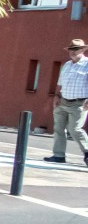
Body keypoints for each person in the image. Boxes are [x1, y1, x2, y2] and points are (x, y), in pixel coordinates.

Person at [45, 37, 88, 165]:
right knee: (58, 128)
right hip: (63, 101)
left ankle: (87, 151)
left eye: (75, 49)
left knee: (75, 129)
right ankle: (58, 155)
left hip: (79, 103)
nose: (72, 52)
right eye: (70, 49)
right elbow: (60, 83)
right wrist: (56, 96)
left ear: (83, 49)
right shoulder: (67, 65)